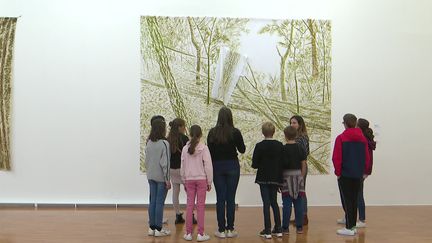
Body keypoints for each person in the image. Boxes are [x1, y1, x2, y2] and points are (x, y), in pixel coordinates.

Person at [207, 107, 246, 238]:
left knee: (220, 198)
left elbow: (209, 153)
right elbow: (242, 150)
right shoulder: (235, 132)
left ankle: (221, 230)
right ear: (230, 117)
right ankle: (230, 229)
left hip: (217, 167)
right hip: (232, 166)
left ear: (219, 117)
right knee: (231, 198)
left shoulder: (212, 132)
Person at [333, 114, 371, 236]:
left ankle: (349, 228)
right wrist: (364, 171)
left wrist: (338, 173)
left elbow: (336, 158)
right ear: (355, 124)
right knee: (354, 201)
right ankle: (352, 226)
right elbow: (367, 157)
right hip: (358, 175)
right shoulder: (363, 139)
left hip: (345, 175)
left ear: (345, 123)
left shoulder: (341, 138)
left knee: (348, 201)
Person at [181, 125, 213, 241]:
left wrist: (184, 180)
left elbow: (182, 166)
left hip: (189, 180)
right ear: (201, 135)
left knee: (189, 206)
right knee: (201, 206)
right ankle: (200, 234)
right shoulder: (204, 148)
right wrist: (209, 181)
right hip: (201, 180)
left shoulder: (185, 149)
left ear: (190, 134)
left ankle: (188, 233)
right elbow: (208, 166)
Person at [252, 122, 283, 239]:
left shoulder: (259, 146)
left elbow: (254, 164)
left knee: (266, 203)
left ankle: (268, 230)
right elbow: (281, 163)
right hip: (275, 178)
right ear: (274, 132)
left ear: (262, 132)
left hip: (263, 178)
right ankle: (278, 228)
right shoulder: (280, 145)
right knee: (274, 202)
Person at [166, 118, 197, 224]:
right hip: (183, 169)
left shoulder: (167, 139)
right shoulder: (184, 139)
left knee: (175, 192)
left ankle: (178, 215)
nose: (185, 128)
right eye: (183, 126)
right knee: (189, 193)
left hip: (172, 169)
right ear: (179, 127)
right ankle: (191, 216)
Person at [145, 118, 171, 237]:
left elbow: (147, 161)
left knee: (152, 202)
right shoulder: (164, 144)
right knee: (159, 203)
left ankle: (152, 228)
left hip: (150, 176)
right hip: (161, 177)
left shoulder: (149, 142)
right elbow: (165, 163)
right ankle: (159, 229)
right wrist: (167, 180)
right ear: (162, 128)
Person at [281, 126, 307, 234]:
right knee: (298, 203)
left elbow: (280, 166)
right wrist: (301, 176)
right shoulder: (300, 148)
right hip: (298, 176)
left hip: (286, 177)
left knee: (286, 204)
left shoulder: (282, 149)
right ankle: (299, 227)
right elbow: (303, 164)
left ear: (285, 136)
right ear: (296, 135)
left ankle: (285, 228)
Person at [355, 118, 376, 227]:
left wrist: (365, 172)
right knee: (356, 194)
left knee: (358, 194)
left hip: (361, 171)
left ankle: (362, 220)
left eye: (356, 125)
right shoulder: (365, 139)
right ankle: (350, 216)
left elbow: (366, 158)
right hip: (362, 170)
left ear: (359, 127)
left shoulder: (364, 140)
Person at [289, 115, 310, 225]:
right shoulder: (299, 137)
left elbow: (303, 154)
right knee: (299, 192)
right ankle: (300, 215)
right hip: (298, 167)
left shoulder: (301, 138)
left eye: (294, 123)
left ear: (300, 125)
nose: (292, 125)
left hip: (301, 167)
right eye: (291, 123)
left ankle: (303, 216)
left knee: (301, 192)